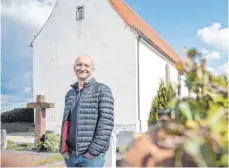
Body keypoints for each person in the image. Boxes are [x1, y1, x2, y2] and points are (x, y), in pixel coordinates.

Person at [59, 55, 114, 167]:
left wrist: (92, 153)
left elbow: (106, 124)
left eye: (86, 65)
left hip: (90, 159)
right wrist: (63, 149)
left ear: (92, 70)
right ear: (74, 68)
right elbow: (65, 122)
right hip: (71, 156)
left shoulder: (102, 90)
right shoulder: (70, 94)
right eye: (79, 64)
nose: (82, 68)